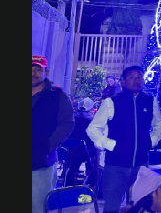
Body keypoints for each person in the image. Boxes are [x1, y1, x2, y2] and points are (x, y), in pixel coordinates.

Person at [87, 66, 161, 213]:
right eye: (131, 77)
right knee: (111, 208)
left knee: (138, 208)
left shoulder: (150, 101)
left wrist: (152, 140)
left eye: (139, 77)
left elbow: (159, 124)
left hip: (141, 166)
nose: (136, 80)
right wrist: (109, 144)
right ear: (122, 81)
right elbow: (93, 129)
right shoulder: (111, 102)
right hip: (115, 167)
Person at [32, 54, 74, 213]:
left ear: (46, 72)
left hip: (41, 161)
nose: (33, 73)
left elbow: (67, 123)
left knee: (38, 206)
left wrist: (48, 145)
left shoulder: (57, 95)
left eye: (38, 69)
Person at [67, 97, 99, 187]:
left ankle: (70, 178)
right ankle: (92, 180)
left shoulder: (72, 120)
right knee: (96, 155)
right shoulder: (91, 122)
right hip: (86, 152)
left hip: (71, 152)